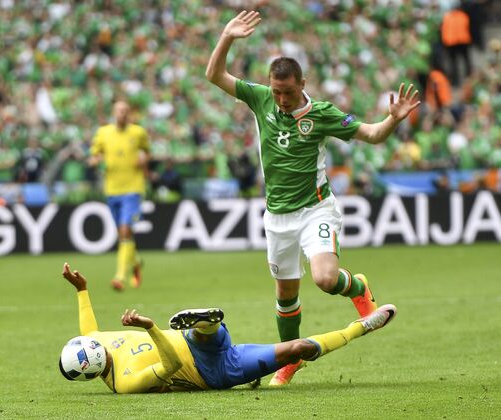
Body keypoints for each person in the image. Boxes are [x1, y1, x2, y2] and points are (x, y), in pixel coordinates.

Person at [205, 10, 420, 386]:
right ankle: (290, 360)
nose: (281, 99)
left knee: (323, 278)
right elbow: (214, 76)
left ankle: (358, 286)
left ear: (303, 83)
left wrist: (394, 121)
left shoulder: (321, 114)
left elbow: (371, 134)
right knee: (286, 295)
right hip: (277, 218)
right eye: (276, 91)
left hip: (315, 210)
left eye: (287, 92)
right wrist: (226, 36)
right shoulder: (261, 100)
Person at [59, 263, 397, 393]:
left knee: (201, 330)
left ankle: (205, 323)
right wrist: (150, 328)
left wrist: (82, 290)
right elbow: (172, 366)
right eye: (96, 351)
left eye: (94, 344)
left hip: (199, 342)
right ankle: (361, 327)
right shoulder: (126, 383)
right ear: (95, 369)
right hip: (215, 370)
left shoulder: (93, 343)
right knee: (298, 350)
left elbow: (89, 330)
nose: (98, 344)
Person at [88, 101, 150, 290]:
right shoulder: (103, 133)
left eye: (125, 111)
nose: (122, 114)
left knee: (124, 230)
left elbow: (147, 153)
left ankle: (120, 276)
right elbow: (94, 156)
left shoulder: (138, 132)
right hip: (112, 189)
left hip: (133, 188)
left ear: (129, 113)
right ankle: (136, 261)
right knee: (123, 235)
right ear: (113, 113)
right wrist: (96, 161)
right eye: (119, 111)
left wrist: (143, 160)